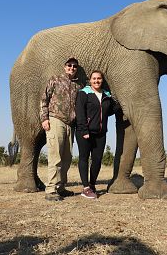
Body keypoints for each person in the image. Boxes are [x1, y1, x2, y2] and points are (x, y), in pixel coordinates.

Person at [40, 57, 82, 201]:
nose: (72, 68)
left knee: (67, 158)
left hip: (71, 125)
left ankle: (60, 187)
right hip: (55, 120)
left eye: (74, 66)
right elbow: (44, 99)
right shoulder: (55, 79)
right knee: (55, 156)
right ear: (64, 67)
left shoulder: (78, 86)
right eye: (69, 65)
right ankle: (51, 190)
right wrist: (44, 118)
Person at [75, 70, 115, 199]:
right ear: (90, 80)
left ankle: (92, 185)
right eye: (94, 79)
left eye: (99, 78)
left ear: (102, 80)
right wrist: (84, 130)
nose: (96, 81)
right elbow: (80, 113)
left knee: (97, 161)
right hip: (85, 132)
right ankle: (85, 188)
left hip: (101, 133)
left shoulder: (106, 95)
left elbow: (109, 111)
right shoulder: (84, 93)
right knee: (84, 159)